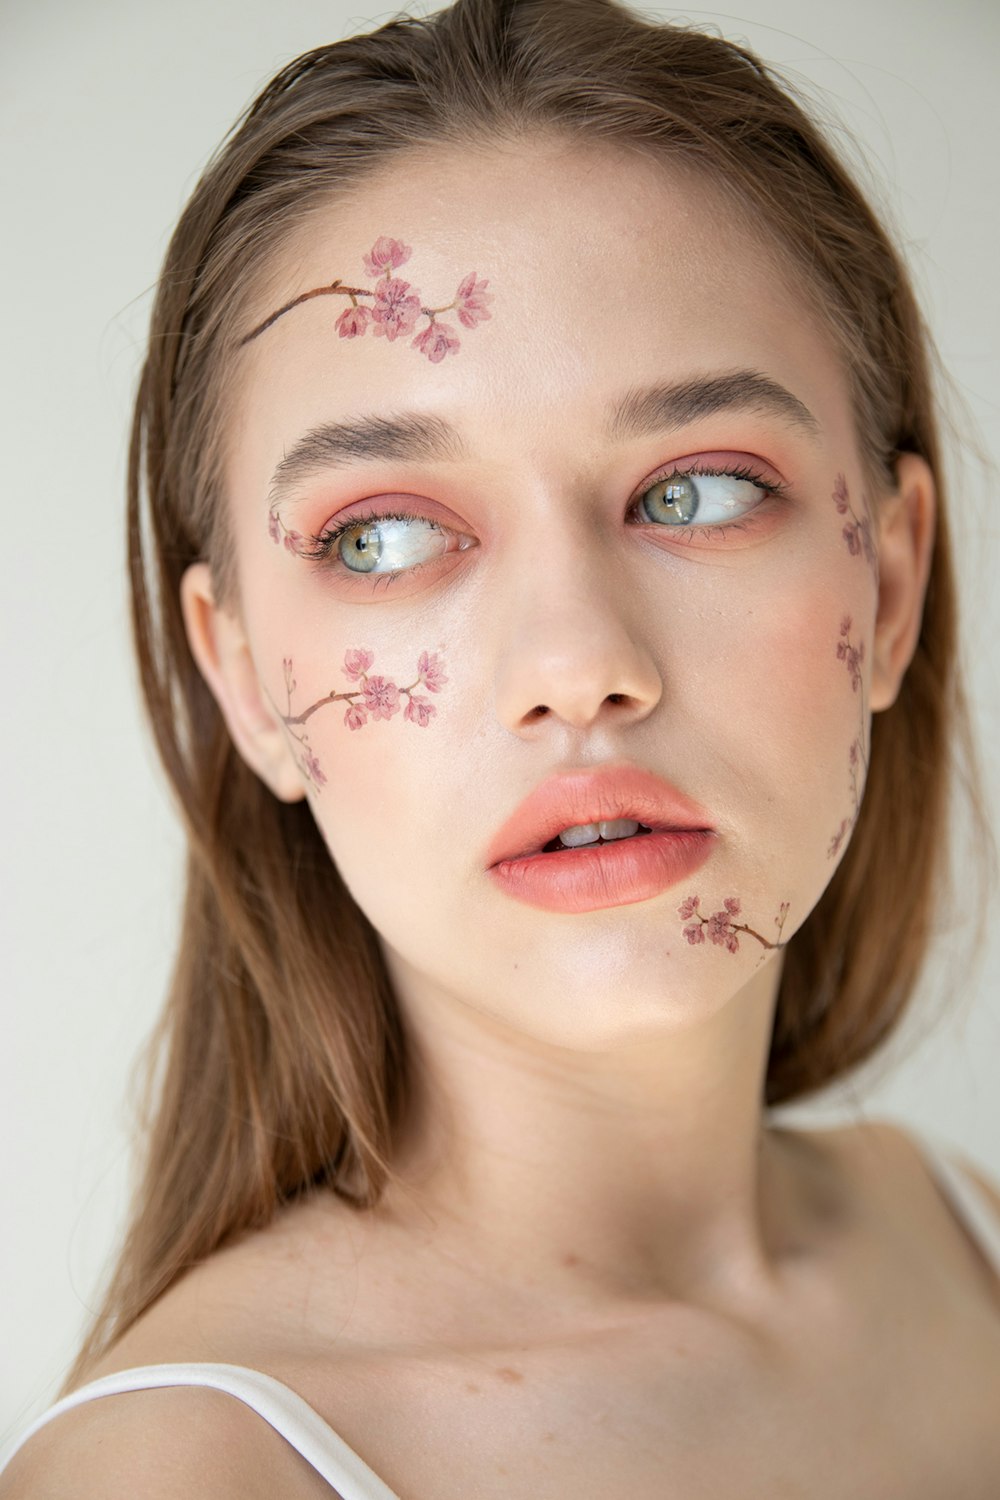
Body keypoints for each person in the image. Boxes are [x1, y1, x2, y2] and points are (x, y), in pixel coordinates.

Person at [2, 0, 998, 1492]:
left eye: (701, 492)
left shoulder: (970, 1241)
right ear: (248, 682)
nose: (579, 667)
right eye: (387, 533)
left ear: (896, 576)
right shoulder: (178, 1479)